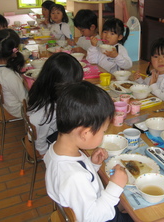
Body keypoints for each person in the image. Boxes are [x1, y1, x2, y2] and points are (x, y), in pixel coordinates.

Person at [43, 81, 133, 222]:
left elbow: (79, 183)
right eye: (103, 131)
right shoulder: (75, 177)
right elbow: (92, 217)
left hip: (90, 203)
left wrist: (93, 165)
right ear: (85, 134)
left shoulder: (55, 149)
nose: (103, 135)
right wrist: (115, 187)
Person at [27, 52, 84, 157]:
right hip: (45, 141)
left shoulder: (43, 87)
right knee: (79, 136)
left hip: (47, 131)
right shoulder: (47, 111)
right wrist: (46, 156)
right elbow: (40, 140)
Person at [133, 38, 164, 105]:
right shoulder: (153, 73)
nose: (160, 60)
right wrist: (140, 81)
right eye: (156, 57)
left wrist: (153, 84)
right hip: (152, 106)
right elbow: (147, 90)